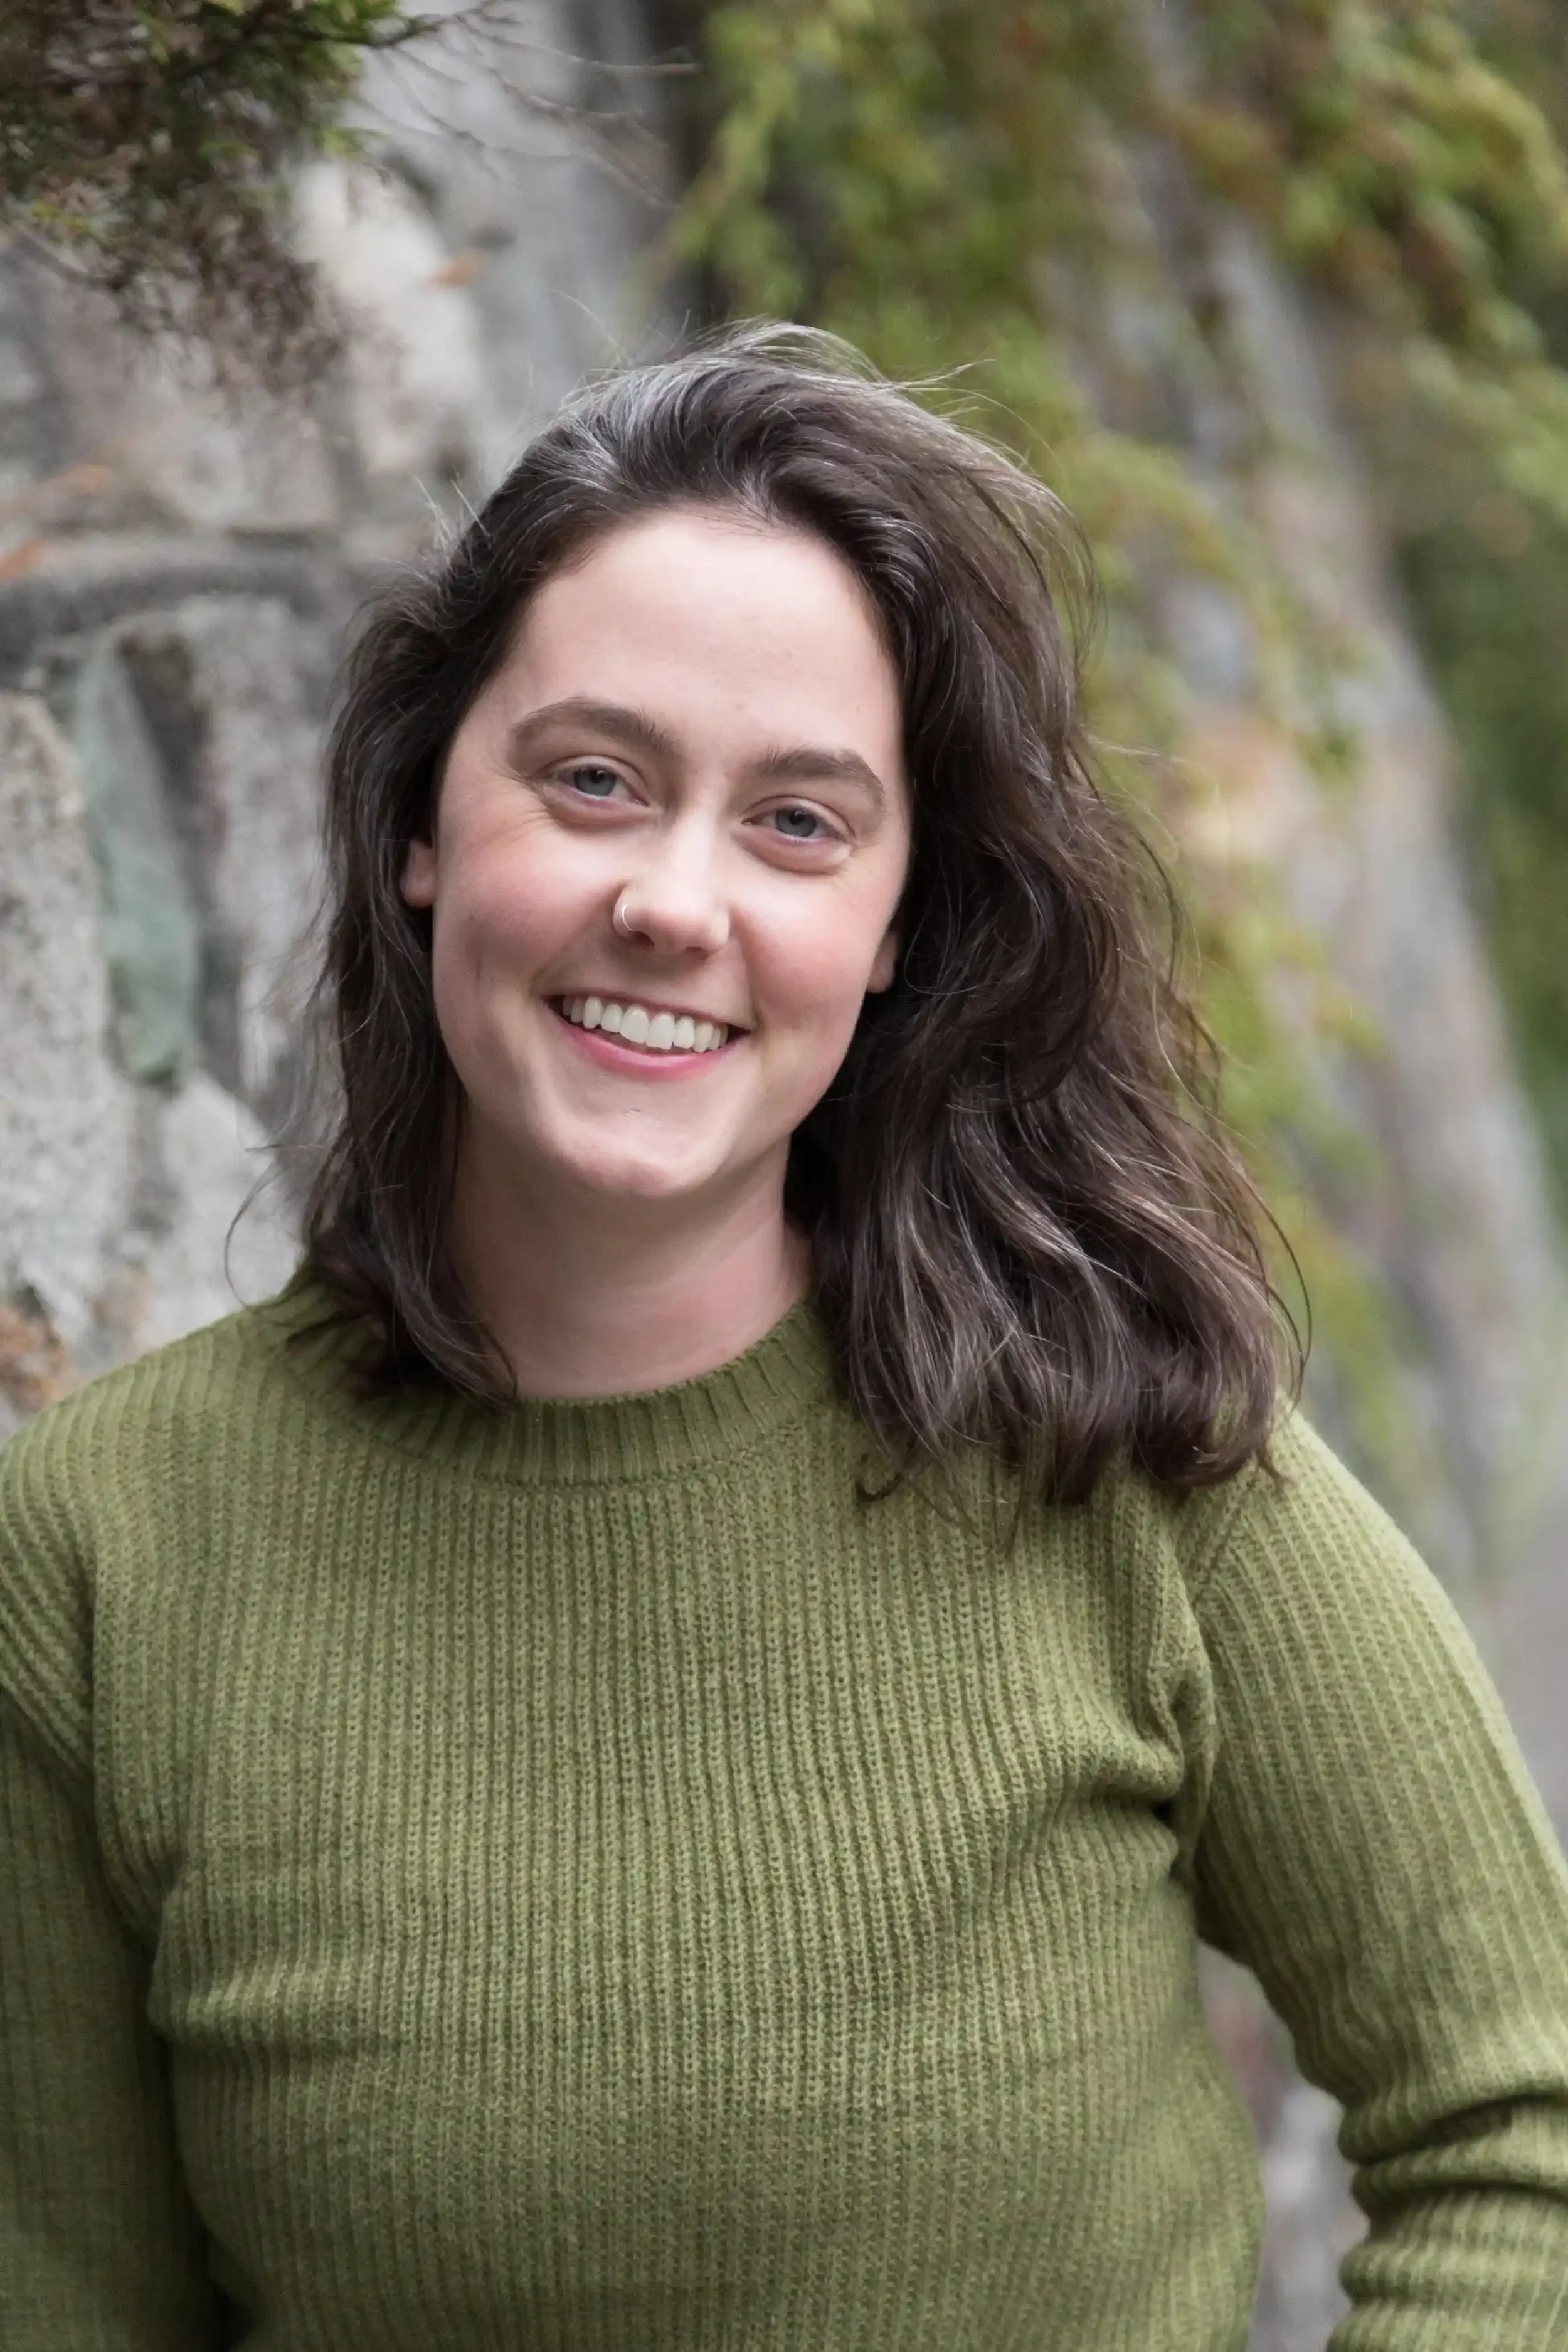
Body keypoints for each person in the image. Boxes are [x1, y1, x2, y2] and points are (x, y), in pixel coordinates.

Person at [2, 323, 1566, 2352]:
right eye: (592, 779)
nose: (673, 899)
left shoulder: (1126, 1448)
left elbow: (1516, 2118)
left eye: (798, 823)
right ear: (418, 821)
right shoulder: (106, 1552)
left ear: (898, 925)